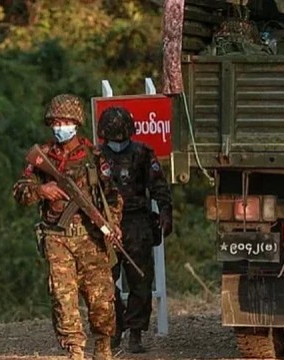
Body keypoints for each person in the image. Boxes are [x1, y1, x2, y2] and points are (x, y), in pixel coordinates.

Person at [12, 94, 123, 360]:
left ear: (76, 122)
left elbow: (112, 196)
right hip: (57, 237)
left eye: (65, 121)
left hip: (91, 238)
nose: (60, 126)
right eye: (55, 121)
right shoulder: (43, 156)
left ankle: (103, 345)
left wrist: (114, 223)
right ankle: (74, 350)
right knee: (63, 297)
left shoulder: (94, 156)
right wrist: (41, 190)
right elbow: (19, 191)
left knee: (101, 301)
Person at [97, 107, 173, 353]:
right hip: (105, 224)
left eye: (121, 137)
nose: (117, 143)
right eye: (112, 138)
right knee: (105, 281)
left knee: (140, 280)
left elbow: (158, 185)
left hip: (136, 222)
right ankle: (116, 325)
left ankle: (136, 332)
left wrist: (165, 212)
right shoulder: (95, 156)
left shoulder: (142, 153)